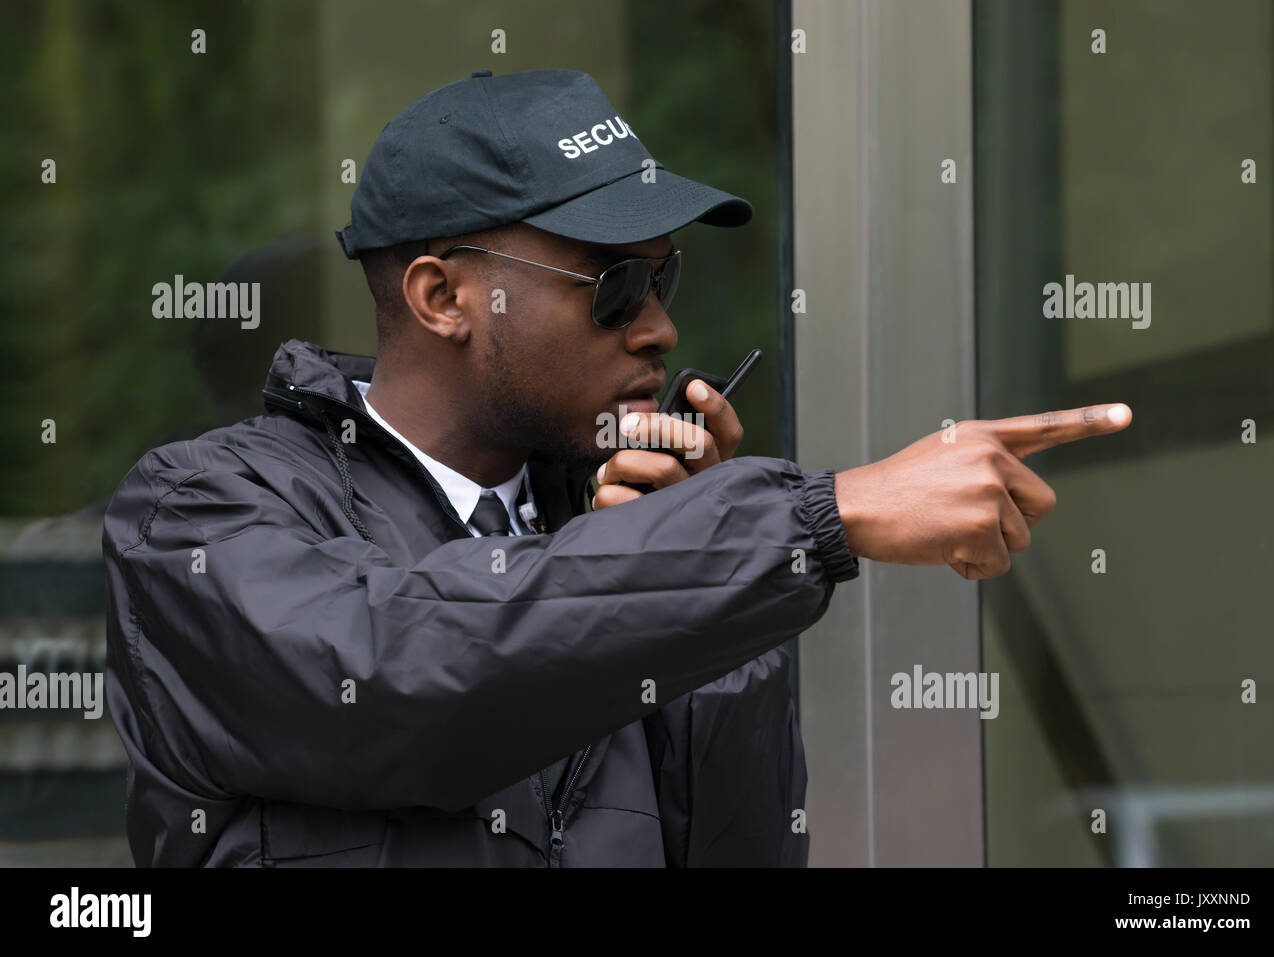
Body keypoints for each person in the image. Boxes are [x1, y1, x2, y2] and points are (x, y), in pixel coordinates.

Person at [102, 68, 1130, 867]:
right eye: (615, 284)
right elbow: (398, 672)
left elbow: (742, 849)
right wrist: (804, 522)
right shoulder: (197, 511)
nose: (660, 327)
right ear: (440, 297)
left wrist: (707, 602)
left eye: (664, 276)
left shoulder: (632, 532)